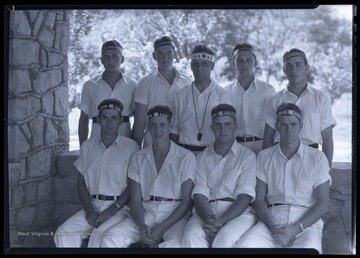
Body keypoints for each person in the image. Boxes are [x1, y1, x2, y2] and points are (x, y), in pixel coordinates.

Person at [235, 103, 331, 254]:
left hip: (306, 224)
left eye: (293, 124)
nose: (289, 130)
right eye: (283, 125)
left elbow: (323, 203)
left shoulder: (317, 157)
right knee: (245, 247)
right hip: (272, 220)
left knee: (307, 250)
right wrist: (273, 226)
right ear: (276, 126)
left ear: (301, 125)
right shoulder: (265, 156)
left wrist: (295, 228)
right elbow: (259, 200)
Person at [100, 105, 196, 247]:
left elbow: (186, 201)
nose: (157, 130)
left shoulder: (185, 156)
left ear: (170, 126)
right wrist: (141, 225)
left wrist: (162, 228)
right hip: (147, 211)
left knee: (175, 245)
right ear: (148, 127)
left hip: (175, 214)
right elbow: (136, 200)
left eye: (162, 125)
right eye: (153, 125)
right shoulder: (139, 157)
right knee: (110, 239)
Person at [54, 99, 140, 247]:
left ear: (120, 121)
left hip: (119, 209)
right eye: (105, 117)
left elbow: (133, 185)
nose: (109, 122)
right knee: (64, 232)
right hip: (92, 206)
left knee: (97, 238)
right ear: (98, 120)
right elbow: (80, 182)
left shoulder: (131, 147)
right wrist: (89, 210)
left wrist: (113, 210)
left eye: (114, 118)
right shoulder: (88, 146)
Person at [182, 103, 257, 247]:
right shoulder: (201, 157)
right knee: (191, 237)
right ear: (212, 128)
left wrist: (221, 221)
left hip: (238, 214)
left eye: (228, 124)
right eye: (218, 125)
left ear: (236, 126)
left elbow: (244, 196)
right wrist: (211, 220)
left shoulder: (247, 156)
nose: (223, 129)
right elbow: (199, 195)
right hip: (206, 212)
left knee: (225, 239)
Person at [262, 48, 336, 167]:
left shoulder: (320, 99)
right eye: (289, 66)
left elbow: (327, 139)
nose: (294, 70)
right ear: (284, 70)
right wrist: (266, 166)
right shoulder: (274, 100)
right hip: (281, 158)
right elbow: (268, 138)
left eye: (298, 65)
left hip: (311, 159)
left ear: (307, 67)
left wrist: (327, 170)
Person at [131, 36, 193, 148]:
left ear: (175, 53)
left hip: (181, 143)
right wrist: (135, 151)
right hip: (152, 143)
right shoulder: (145, 83)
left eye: (169, 53)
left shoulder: (187, 81)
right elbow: (139, 122)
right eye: (160, 54)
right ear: (154, 56)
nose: (165, 58)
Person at [170, 44, 230, 155]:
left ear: (212, 66)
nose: (199, 69)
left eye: (204, 64)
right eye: (196, 64)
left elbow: (227, 130)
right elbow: (174, 130)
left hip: (211, 155)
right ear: (191, 66)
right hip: (184, 153)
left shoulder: (223, 95)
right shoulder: (181, 95)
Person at [78, 40, 137, 146]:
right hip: (96, 141)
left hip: (125, 143)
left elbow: (138, 119)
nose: (111, 61)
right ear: (101, 60)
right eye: (106, 57)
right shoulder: (90, 85)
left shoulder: (133, 85)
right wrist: (83, 147)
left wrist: (135, 145)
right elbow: (83, 119)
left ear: (122, 59)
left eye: (115, 56)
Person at [225, 43, 276, 154]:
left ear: (255, 63)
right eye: (239, 60)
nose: (244, 64)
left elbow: (274, 124)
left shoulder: (268, 91)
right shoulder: (225, 92)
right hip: (234, 150)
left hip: (262, 148)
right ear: (233, 63)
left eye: (249, 60)